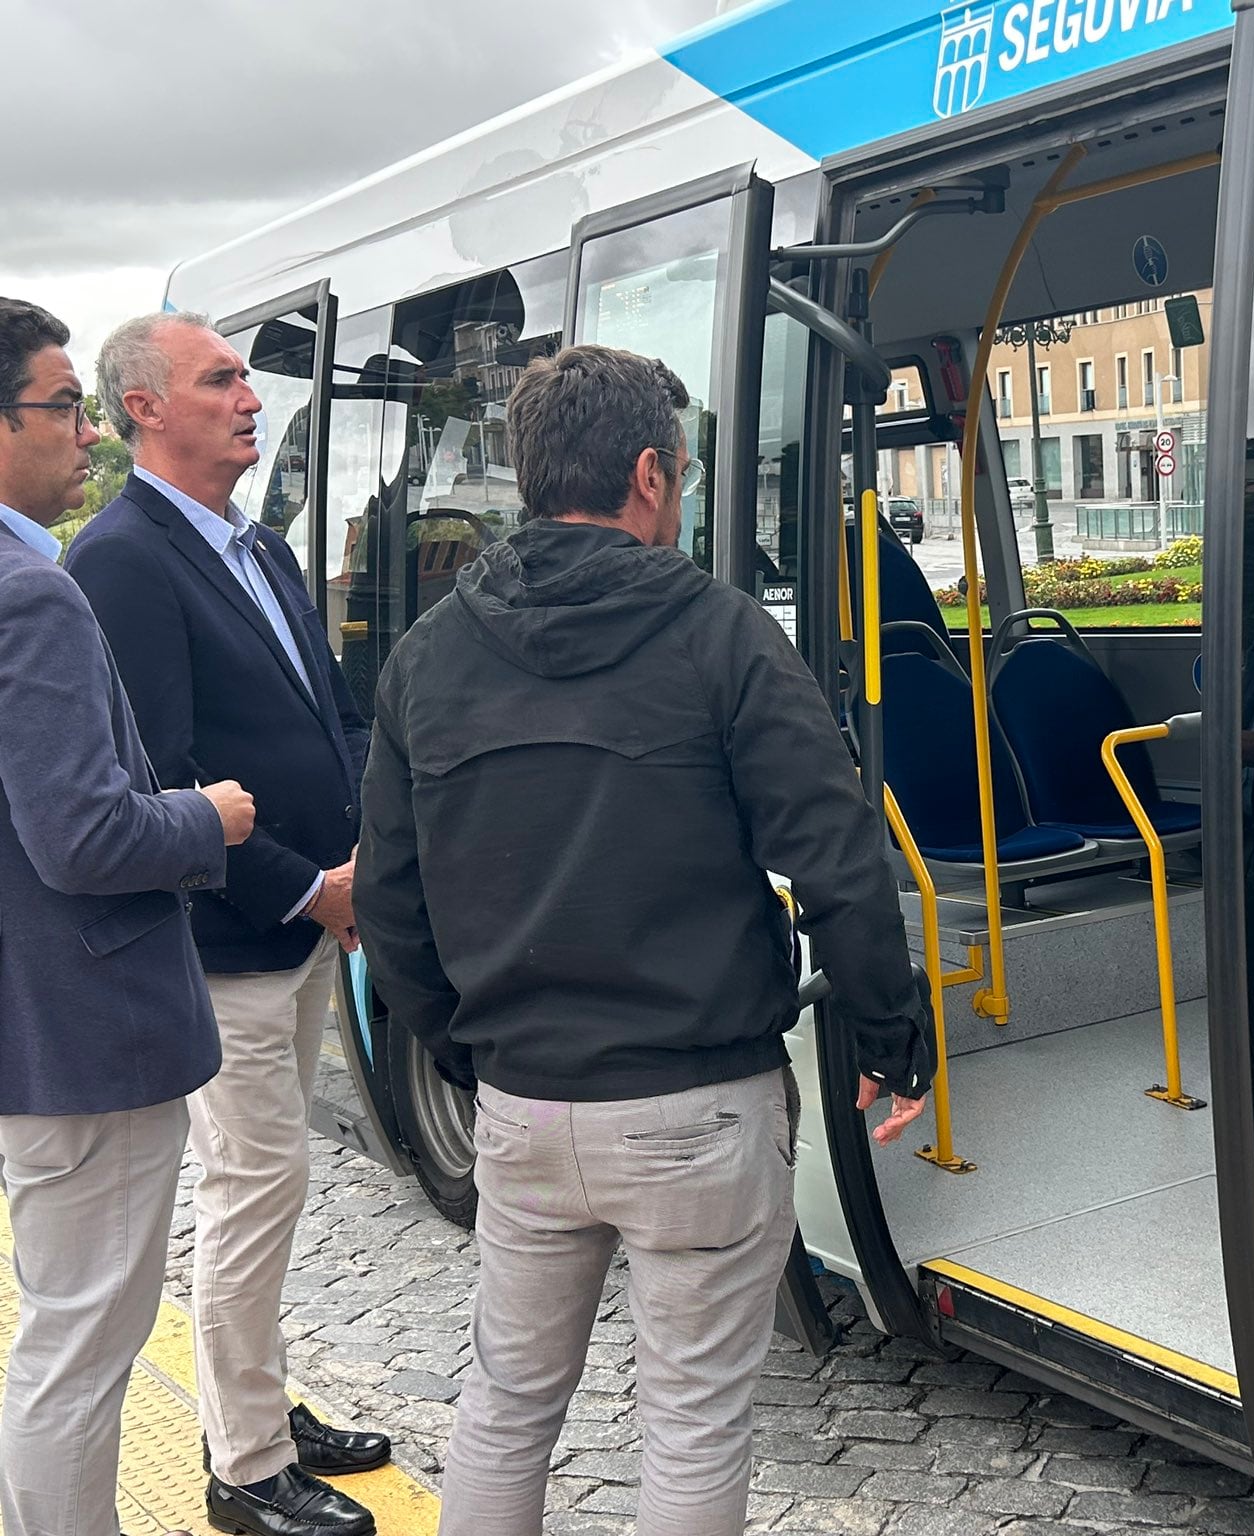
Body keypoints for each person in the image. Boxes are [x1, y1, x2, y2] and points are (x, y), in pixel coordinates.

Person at [355, 345, 933, 1536]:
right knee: (692, 1418)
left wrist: (473, 1058)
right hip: (696, 1105)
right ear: (651, 474)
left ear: (526, 476)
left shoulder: (428, 657)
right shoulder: (721, 636)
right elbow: (837, 862)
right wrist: (890, 1032)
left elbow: (392, 904)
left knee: (507, 1402)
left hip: (523, 1105)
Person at [66, 313, 384, 1536]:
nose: (249, 396)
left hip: (309, 921)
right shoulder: (122, 560)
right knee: (256, 1188)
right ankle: (246, 1468)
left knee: (269, 1190)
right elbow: (165, 777)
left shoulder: (266, 549)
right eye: (218, 379)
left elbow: (330, 714)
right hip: (232, 942)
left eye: (246, 375)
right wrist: (311, 888)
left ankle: (248, 1395)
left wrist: (363, 861)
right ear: (144, 408)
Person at [0, 297, 255, 1536]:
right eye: (59, 406)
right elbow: (84, 833)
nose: (83, 436)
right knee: (82, 1346)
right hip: (88, 1031)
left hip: (38, 1019)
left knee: (65, 1330)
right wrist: (208, 817)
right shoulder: (32, 596)